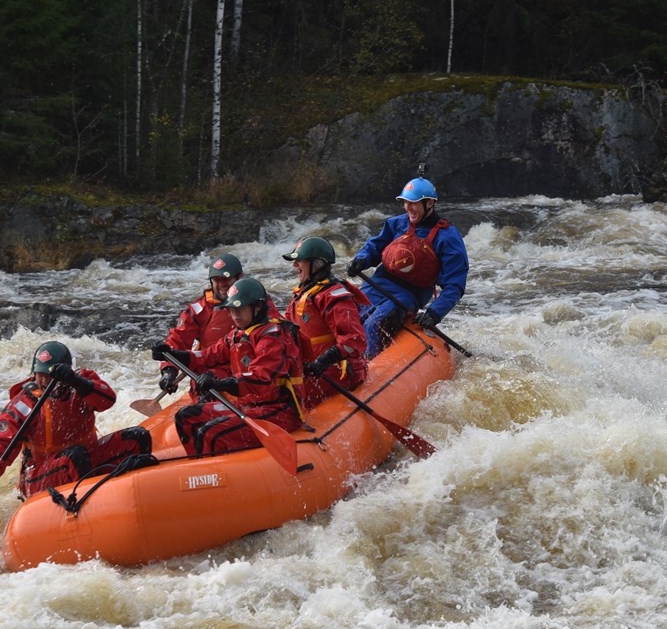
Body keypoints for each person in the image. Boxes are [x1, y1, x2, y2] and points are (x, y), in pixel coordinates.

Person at [0, 341, 151, 501]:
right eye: (39, 374)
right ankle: (94, 505)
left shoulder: (80, 383)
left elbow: (108, 400)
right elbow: (0, 443)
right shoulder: (24, 404)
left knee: (137, 437)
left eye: (48, 375)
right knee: (75, 456)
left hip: (84, 459)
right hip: (39, 475)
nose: (43, 381)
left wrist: (76, 381)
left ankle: (141, 489)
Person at [152, 277, 304, 457]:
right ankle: (198, 467)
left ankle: (215, 472)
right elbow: (206, 356)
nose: (235, 315)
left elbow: (260, 378)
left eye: (240, 309)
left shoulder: (272, 337)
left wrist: (219, 383)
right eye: (232, 310)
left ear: (258, 307)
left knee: (211, 432)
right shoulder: (236, 335)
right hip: (248, 406)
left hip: (278, 410)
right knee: (186, 416)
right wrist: (172, 354)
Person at [347, 176, 469, 358]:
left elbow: (455, 285)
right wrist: (361, 260)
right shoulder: (397, 223)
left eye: (413, 203)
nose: (408, 208)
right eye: (405, 203)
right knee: (347, 315)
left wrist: (434, 314)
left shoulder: (448, 237)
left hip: (407, 296)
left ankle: (365, 370)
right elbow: (375, 246)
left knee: (375, 324)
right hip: (376, 285)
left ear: (429, 203)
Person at [152, 253, 280, 398]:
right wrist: (169, 370)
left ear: (239, 278)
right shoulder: (198, 309)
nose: (222, 284)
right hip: (213, 372)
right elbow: (177, 341)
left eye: (226, 279)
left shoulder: (257, 302)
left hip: (251, 370)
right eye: (217, 280)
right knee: (202, 385)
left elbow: (277, 333)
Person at [281, 236, 371, 406]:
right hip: (313, 370)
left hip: (338, 373)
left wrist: (321, 362)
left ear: (315, 263)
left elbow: (354, 340)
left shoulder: (335, 296)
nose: (295, 265)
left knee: (287, 400)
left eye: (299, 261)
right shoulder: (302, 292)